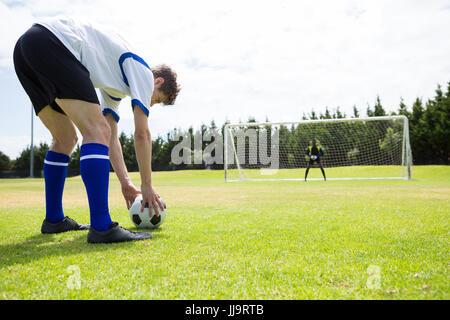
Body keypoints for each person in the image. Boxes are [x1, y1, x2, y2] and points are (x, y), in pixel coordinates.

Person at [13, 17, 180, 243]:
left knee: (66, 138)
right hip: (54, 42)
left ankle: (54, 220)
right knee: (95, 130)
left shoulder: (116, 85)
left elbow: (110, 135)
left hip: (27, 49)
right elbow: (142, 134)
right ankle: (102, 226)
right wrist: (147, 186)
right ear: (157, 81)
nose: (152, 104)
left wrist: (126, 184)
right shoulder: (142, 73)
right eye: (158, 100)